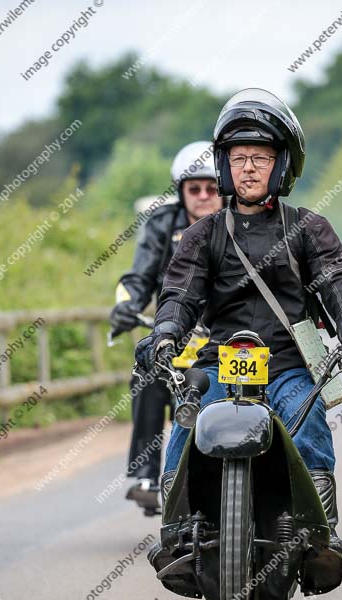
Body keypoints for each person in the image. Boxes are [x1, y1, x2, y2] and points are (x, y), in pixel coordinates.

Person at [135, 89, 342, 592]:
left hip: (290, 363)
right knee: (185, 423)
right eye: (238, 157)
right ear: (225, 165)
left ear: (283, 165)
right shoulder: (203, 235)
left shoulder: (310, 228)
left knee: (308, 422)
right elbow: (179, 295)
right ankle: (178, 532)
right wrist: (163, 334)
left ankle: (319, 536)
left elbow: (338, 282)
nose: (248, 168)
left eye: (261, 157)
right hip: (219, 363)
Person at [110, 141, 223, 513]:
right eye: (195, 188)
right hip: (173, 336)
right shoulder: (162, 225)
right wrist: (127, 306)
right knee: (146, 371)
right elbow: (138, 277)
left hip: (230, 337)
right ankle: (146, 475)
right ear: (181, 192)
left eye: (212, 187)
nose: (204, 196)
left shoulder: (246, 222)